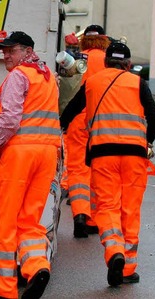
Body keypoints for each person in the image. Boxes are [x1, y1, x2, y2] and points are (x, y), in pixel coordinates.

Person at [61, 41, 155, 287]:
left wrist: (60, 130)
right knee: (130, 208)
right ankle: (128, 268)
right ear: (128, 64)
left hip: (102, 154)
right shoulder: (138, 83)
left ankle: (114, 249)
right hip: (134, 156)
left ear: (106, 62)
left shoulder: (93, 83)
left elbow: (69, 112)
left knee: (106, 206)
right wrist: (146, 142)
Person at [0, 31, 60, 299]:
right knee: (30, 220)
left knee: (7, 220)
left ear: (27, 51)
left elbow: (11, 119)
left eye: (10, 50)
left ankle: (4, 289)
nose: (5, 55)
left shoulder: (19, 75)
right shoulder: (47, 76)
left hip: (19, 153)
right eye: (3, 50)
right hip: (47, 153)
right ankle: (37, 266)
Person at [63, 25, 110, 238]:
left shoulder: (77, 60)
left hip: (78, 119)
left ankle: (80, 214)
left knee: (77, 169)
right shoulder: (111, 61)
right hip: (103, 121)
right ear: (104, 40)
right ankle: (93, 218)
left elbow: (67, 89)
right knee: (99, 170)